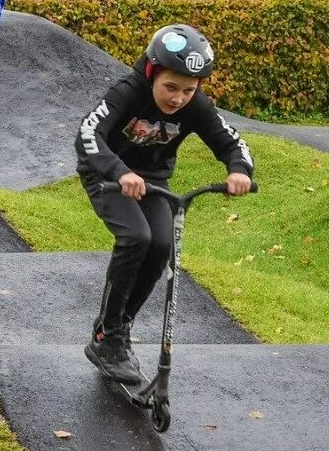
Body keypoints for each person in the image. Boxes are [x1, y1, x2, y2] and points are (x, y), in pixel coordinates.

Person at [75, 24, 254, 385]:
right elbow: (88, 133)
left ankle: (120, 329)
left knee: (160, 245)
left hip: (153, 179)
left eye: (189, 90)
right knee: (136, 238)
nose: (178, 99)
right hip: (108, 173)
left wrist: (239, 170)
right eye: (170, 87)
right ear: (153, 73)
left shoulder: (196, 106)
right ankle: (105, 336)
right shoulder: (127, 92)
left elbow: (230, 141)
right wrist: (119, 171)